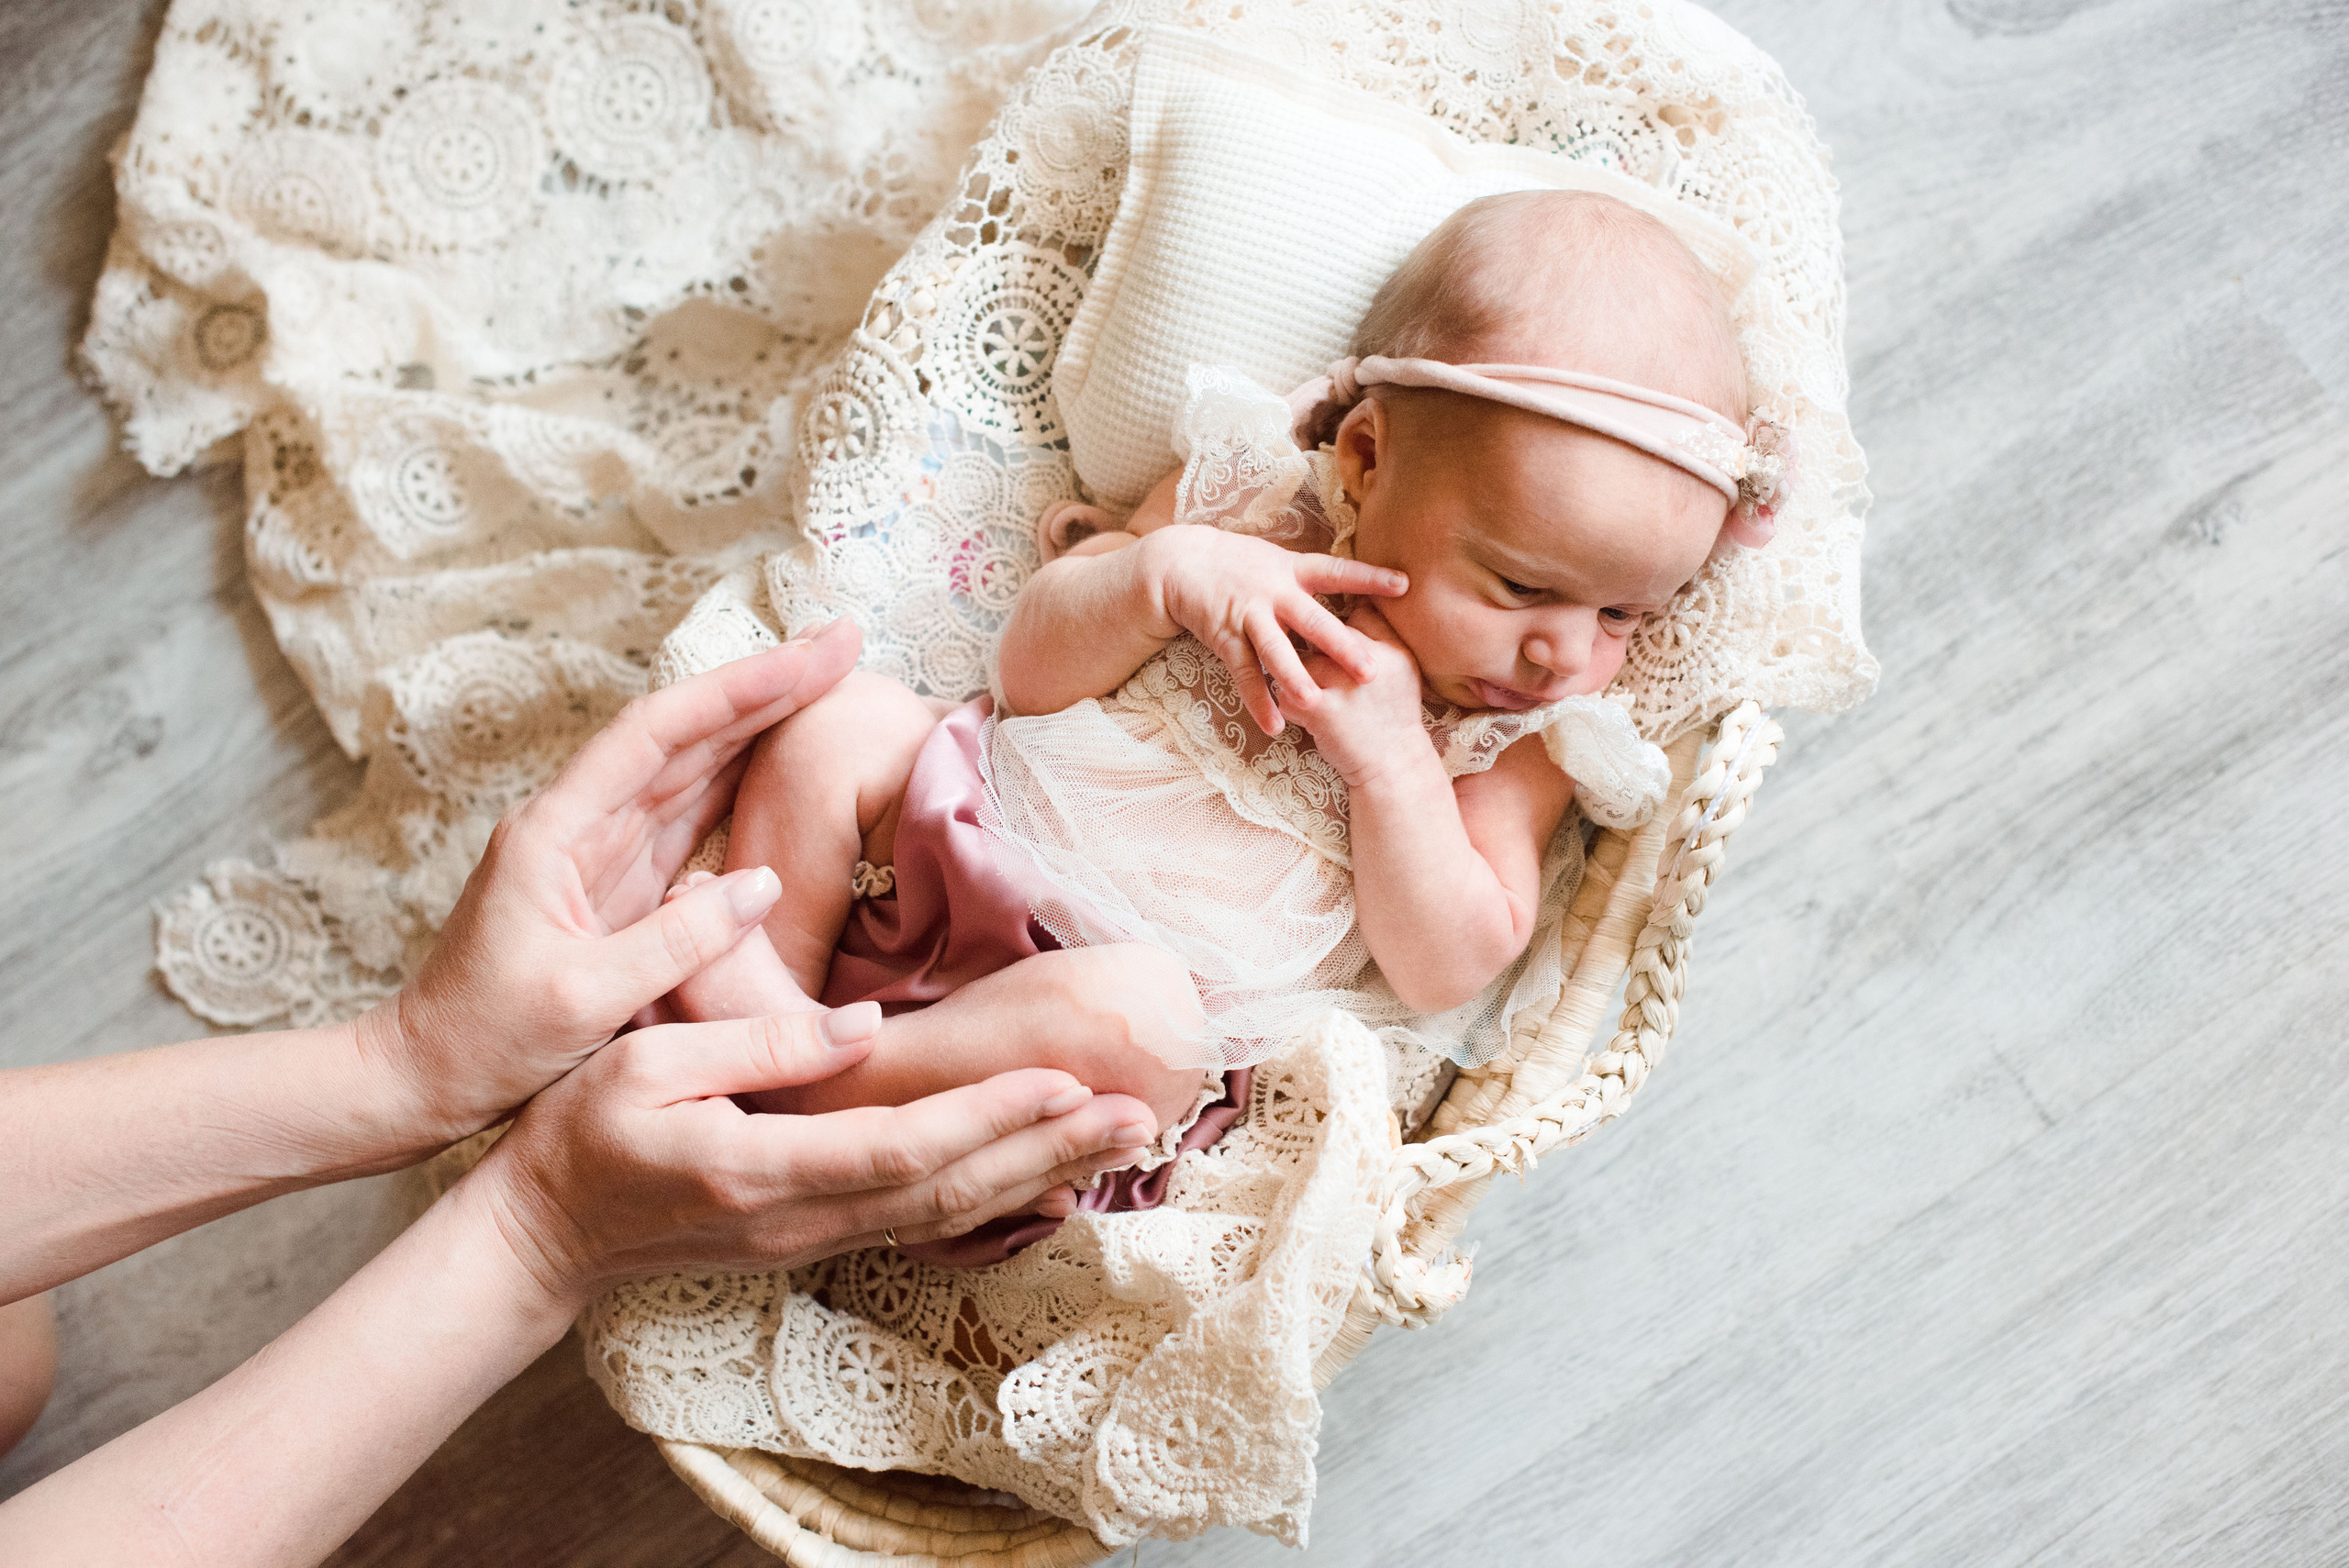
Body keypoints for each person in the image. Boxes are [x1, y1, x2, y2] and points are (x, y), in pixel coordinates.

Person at [664, 193, 1783, 1198]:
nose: (1560, 652)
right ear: (1361, 460)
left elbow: (1451, 961)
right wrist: (1162, 576)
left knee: (1139, 1017)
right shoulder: (1251, 510)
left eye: (1621, 616)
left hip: (1078, 1037)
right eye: (1522, 584)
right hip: (947, 842)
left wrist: (1392, 761)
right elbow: (1027, 677)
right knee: (845, 722)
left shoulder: (1512, 733)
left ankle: (813, 1101)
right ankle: (774, 988)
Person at [0, 619, 1168, 1566]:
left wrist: (409, 1065)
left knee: (13, 1365)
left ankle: (784, 1056)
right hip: (967, 913)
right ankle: (800, 1070)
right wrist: (534, 1236)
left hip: (1042, 938)